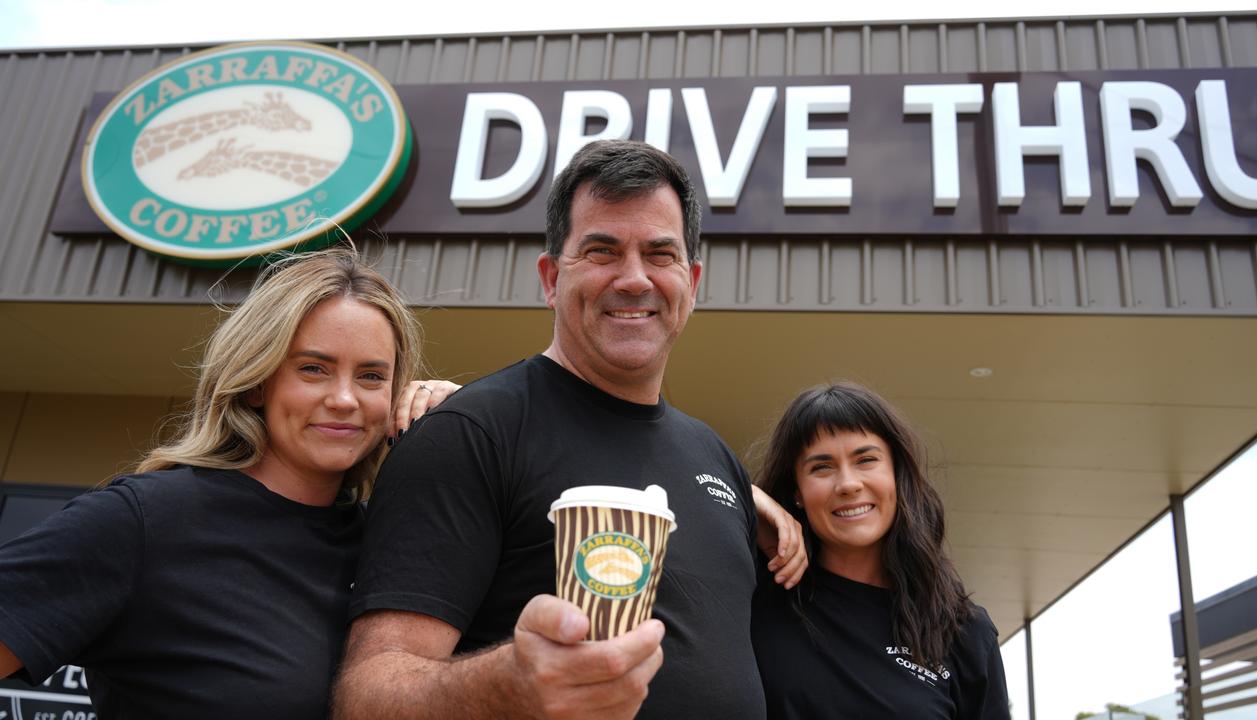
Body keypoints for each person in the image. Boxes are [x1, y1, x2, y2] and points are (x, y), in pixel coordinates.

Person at [333, 139, 804, 720]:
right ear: (552, 277)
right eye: (602, 250)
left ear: (693, 281)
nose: (634, 280)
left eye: (660, 254)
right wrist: (504, 686)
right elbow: (367, 695)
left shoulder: (717, 459)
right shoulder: (469, 434)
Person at [0, 246, 454, 718]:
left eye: (371, 376)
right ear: (258, 380)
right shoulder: (145, 523)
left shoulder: (390, 544)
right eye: (313, 368)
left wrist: (471, 431)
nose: (344, 398)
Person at [752, 382, 1011, 719]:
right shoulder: (755, 602)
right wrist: (750, 498)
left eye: (866, 460)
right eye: (822, 467)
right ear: (797, 491)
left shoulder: (964, 631)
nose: (848, 484)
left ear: (896, 475)